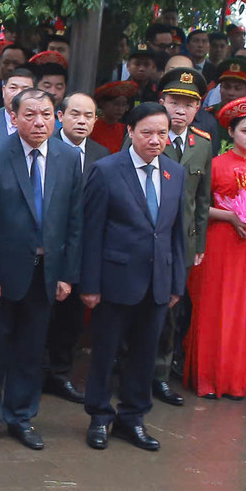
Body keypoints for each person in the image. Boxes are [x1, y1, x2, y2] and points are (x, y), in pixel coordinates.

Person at [0, 88, 83, 452]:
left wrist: (66, 274)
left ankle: (21, 416)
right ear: (14, 117)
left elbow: (75, 221)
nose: (39, 122)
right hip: (1, 274)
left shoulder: (68, 157)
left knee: (32, 350)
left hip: (46, 273)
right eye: (30, 114)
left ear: (57, 117)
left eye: (46, 114)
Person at [81, 102, 186, 452]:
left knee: (144, 355)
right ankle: (99, 416)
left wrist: (176, 283)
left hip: (158, 281)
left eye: (162, 133)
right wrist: (90, 284)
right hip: (115, 279)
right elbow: (91, 231)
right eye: (147, 132)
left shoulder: (174, 172)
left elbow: (175, 233)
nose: (155, 140)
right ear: (130, 132)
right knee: (105, 352)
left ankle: (133, 418)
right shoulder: (107, 170)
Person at [183, 96, 246, 399]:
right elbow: (197, 207)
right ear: (231, 133)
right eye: (245, 131)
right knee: (214, 307)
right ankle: (207, 379)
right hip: (219, 243)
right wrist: (230, 215)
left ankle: (233, 381)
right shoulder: (216, 164)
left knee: (243, 310)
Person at [150, 68, 213, 406]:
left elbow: (202, 200)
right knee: (138, 304)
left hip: (182, 242)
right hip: (146, 238)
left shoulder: (201, 144)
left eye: (188, 105)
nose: (180, 110)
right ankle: (130, 368)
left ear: (198, 107)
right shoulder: (145, 134)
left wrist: (199, 243)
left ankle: (160, 374)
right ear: (162, 101)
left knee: (172, 310)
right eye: (174, 102)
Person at [44, 92, 109, 403]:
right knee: (38, 316)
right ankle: (29, 374)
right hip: (45, 248)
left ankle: (59, 374)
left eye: (88, 116)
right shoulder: (47, 147)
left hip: (82, 249)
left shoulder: (102, 155)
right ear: (60, 116)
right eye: (75, 114)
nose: (82, 121)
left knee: (69, 319)